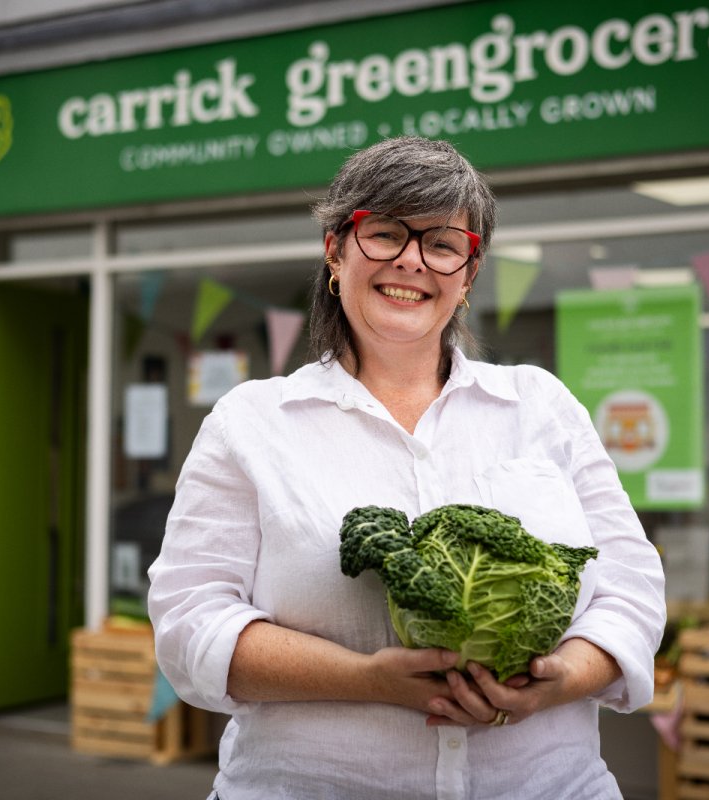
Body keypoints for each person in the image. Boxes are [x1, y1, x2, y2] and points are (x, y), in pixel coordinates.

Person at [147, 136, 666, 799]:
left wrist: (561, 677)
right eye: (386, 233)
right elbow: (191, 623)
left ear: (469, 275)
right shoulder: (251, 424)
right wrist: (367, 679)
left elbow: (632, 588)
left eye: (444, 244)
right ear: (335, 250)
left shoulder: (541, 407)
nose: (412, 261)